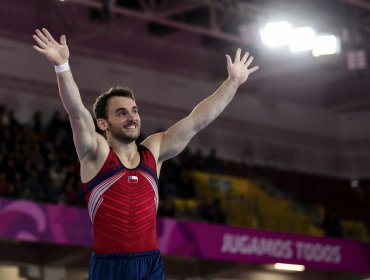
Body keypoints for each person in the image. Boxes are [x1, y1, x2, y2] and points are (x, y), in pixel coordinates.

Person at [32, 28, 259, 280]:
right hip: (111, 267)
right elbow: (77, 113)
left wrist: (232, 82)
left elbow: (197, 121)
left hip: (150, 263)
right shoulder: (96, 154)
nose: (132, 118)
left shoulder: (154, 150)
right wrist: (62, 66)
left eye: (134, 110)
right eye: (122, 113)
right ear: (103, 124)